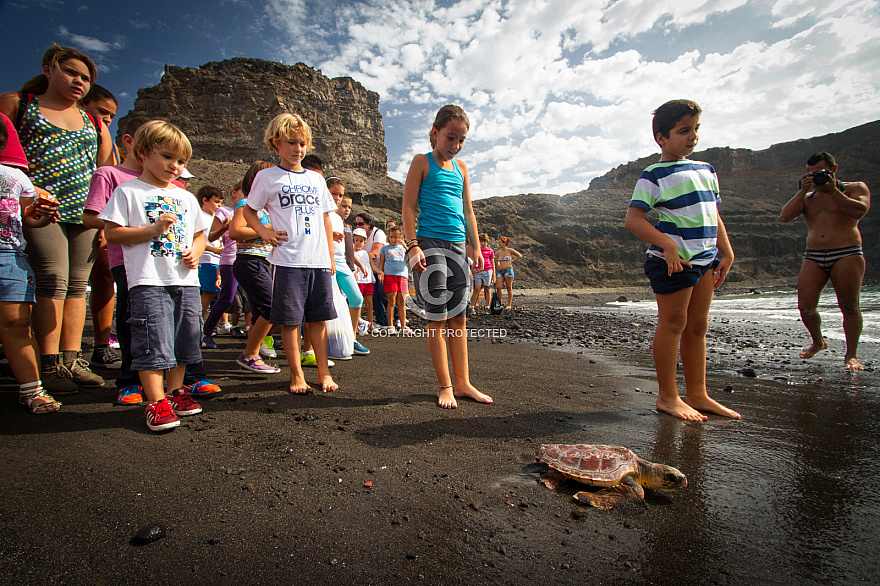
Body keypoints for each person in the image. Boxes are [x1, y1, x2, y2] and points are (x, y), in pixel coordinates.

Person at [0, 44, 113, 394]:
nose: (79, 81)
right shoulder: (19, 103)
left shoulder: (93, 121)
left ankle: (72, 358)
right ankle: (49, 363)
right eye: (71, 73)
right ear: (50, 69)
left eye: (86, 78)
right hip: (37, 208)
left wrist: (104, 219)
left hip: (82, 214)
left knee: (78, 284)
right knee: (52, 278)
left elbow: (104, 170)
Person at [624, 99, 740, 422]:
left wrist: (726, 250)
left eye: (696, 130)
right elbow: (633, 220)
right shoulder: (654, 175)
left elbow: (713, 215)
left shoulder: (706, 170)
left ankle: (698, 393)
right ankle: (667, 396)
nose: (692, 137)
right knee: (673, 323)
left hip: (704, 259)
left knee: (698, 326)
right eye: (684, 131)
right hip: (671, 262)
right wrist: (667, 244)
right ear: (661, 138)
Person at [98, 120, 207, 432]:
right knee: (152, 339)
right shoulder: (127, 191)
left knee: (185, 337)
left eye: (181, 161)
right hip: (148, 279)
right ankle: (155, 401)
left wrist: (197, 252)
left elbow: (199, 235)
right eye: (167, 157)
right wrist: (153, 230)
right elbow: (113, 233)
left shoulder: (185, 197)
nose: (175, 166)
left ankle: (175, 393)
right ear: (142, 153)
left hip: (185, 280)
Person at [402, 104, 493, 409]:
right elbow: (408, 208)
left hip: (458, 247)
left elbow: (468, 210)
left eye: (462, 140)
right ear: (435, 133)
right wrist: (412, 245)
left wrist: (475, 246)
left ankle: (464, 383)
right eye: (450, 137)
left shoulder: (462, 168)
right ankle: (445, 386)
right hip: (429, 245)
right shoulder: (421, 162)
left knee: (459, 317)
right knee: (437, 317)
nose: (455, 145)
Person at [242, 113, 338, 393]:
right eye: (291, 143)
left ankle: (323, 373)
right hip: (288, 261)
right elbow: (249, 210)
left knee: (319, 319)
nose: (298, 149)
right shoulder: (266, 177)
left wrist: (331, 258)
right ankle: (297, 376)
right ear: (275, 144)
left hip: (318, 260)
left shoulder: (316, 180)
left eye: (302, 143)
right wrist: (263, 231)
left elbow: (325, 218)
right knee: (291, 320)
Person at [779, 151, 871, 370]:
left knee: (849, 305)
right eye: (810, 173)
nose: (815, 177)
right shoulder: (808, 197)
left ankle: (852, 355)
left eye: (820, 172)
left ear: (834, 169)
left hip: (846, 252)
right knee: (806, 308)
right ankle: (818, 342)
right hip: (814, 255)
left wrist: (833, 192)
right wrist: (803, 191)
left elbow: (860, 210)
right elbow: (784, 217)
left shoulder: (854, 188)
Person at [0, 122, 63, 413]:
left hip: (9, 253)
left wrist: (42, 215)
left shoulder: (15, 177)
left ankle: (32, 389)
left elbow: (27, 218)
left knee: (16, 322)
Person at [79, 85, 121, 369]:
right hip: (59, 212)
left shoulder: (106, 143)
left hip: (101, 219)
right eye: (102, 113)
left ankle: (100, 345)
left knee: (104, 277)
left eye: (111, 117)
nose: (107, 120)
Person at [229, 160, 282, 374]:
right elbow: (235, 232)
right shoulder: (245, 205)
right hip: (249, 261)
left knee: (261, 309)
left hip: (263, 262)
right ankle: (250, 354)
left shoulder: (267, 208)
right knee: (273, 306)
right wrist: (265, 228)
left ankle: (254, 354)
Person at [328, 177, 370, 354]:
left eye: (342, 197)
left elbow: (348, 249)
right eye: (334, 195)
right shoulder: (324, 215)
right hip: (326, 261)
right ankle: (315, 342)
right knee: (325, 302)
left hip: (342, 263)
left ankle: (352, 338)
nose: (338, 200)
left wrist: (357, 264)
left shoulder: (344, 224)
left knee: (356, 298)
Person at [196, 186, 223, 328]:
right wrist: (213, 250)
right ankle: (197, 325)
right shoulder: (200, 217)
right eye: (216, 202)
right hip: (207, 260)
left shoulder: (215, 218)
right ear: (205, 200)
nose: (219, 206)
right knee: (207, 294)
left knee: (218, 294)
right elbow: (196, 240)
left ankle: (217, 325)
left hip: (216, 260)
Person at [355, 213, 389, 327]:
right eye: (356, 224)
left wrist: (361, 255)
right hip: (364, 274)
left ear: (368, 223)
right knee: (373, 299)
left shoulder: (378, 233)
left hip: (379, 268)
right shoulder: (357, 238)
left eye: (361, 224)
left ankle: (395, 319)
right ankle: (380, 322)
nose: (358, 226)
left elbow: (375, 253)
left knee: (383, 294)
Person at [379, 227, 412, 336]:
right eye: (391, 237)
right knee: (391, 300)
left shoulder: (403, 248)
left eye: (396, 237)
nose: (393, 239)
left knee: (402, 300)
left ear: (401, 237)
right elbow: (382, 263)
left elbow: (411, 256)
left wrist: (404, 245)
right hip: (390, 275)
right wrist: (381, 273)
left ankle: (403, 326)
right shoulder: (385, 248)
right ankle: (390, 325)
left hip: (402, 276)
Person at [353, 227, 381, 333]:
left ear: (365, 241)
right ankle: (357, 325)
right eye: (356, 240)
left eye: (361, 241)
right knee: (358, 303)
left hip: (368, 281)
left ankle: (371, 325)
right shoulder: (351, 253)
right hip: (357, 281)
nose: (358, 243)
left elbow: (372, 266)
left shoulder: (366, 253)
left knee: (369, 304)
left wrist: (380, 272)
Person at [494, 236, 522, 309]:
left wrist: (512, 261)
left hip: (508, 270)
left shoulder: (510, 250)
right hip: (500, 271)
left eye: (500, 242)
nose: (499, 244)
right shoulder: (498, 252)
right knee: (498, 287)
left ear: (504, 243)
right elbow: (496, 260)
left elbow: (519, 256)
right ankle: (500, 303)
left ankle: (509, 304)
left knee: (509, 287)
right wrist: (498, 265)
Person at [470, 233, 495, 311]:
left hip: (488, 270)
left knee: (487, 288)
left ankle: (487, 306)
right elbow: (475, 261)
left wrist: (494, 275)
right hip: (478, 271)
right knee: (477, 288)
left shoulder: (490, 251)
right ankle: (472, 306)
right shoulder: (477, 251)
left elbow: (492, 263)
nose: (483, 243)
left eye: (485, 241)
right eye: (481, 241)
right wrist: (472, 270)